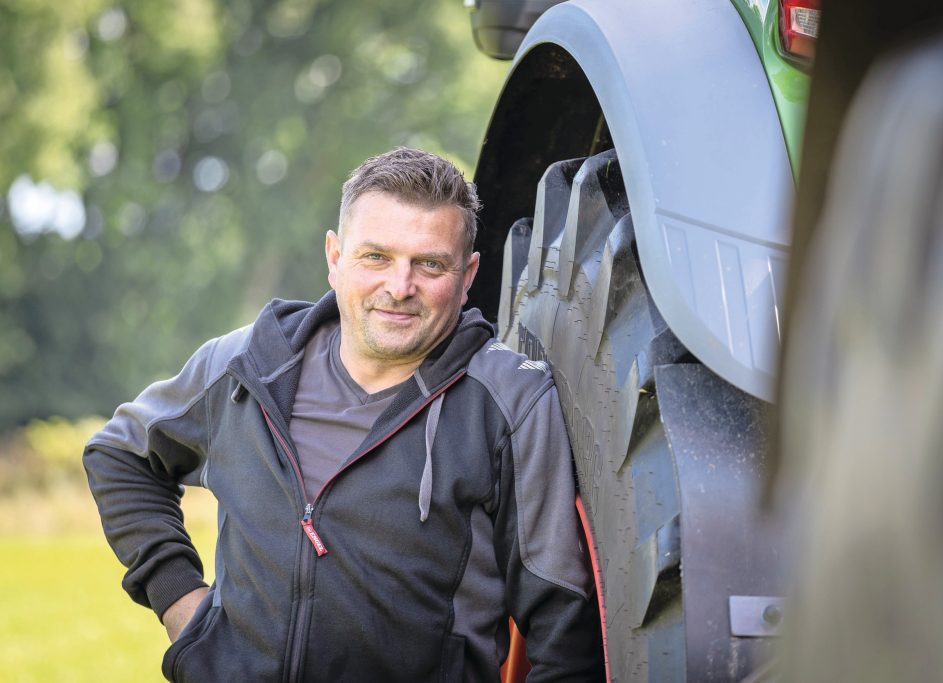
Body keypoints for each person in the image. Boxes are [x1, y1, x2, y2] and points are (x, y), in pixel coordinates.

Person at [83, 148, 603, 682]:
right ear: (334, 257)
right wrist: (181, 606)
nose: (399, 288)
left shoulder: (511, 401)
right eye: (376, 257)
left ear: (468, 274)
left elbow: (565, 632)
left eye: (429, 264)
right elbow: (120, 456)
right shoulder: (246, 366)